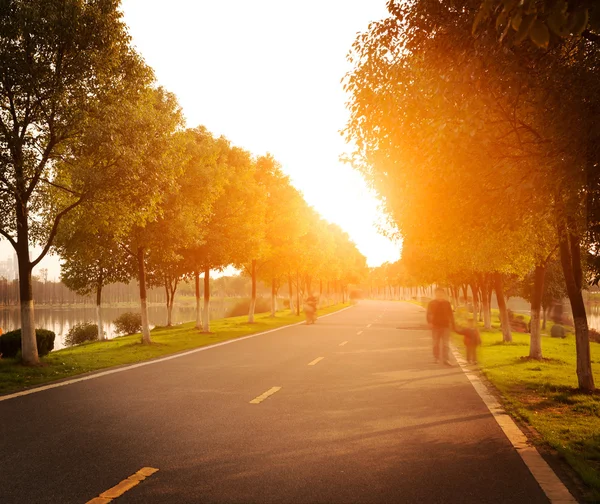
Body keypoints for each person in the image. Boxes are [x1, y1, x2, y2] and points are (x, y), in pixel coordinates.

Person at [426, 288, 455, 366]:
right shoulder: (432, 303)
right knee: (436, 343)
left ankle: (446, 359)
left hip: (445, 326)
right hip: (435, 326)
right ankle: (436, 358)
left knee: (446, 344)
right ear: (435, 294)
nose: (440, 295)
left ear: (443, 294)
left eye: (441, 293)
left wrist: (452, 324)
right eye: (438, 293)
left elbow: (450, 314)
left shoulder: (447, 303)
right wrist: (429, 322)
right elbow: (428, 313)